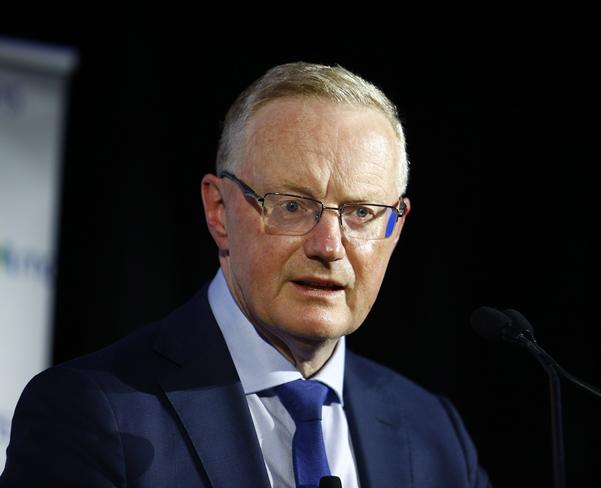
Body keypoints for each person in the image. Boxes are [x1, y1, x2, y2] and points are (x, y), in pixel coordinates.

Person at [0, 62, 491, 487]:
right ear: (219, 211)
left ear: (396, 226)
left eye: (361, 212)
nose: (328, 246)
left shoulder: (434, 433)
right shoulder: (91, 411)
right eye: (293, 206)